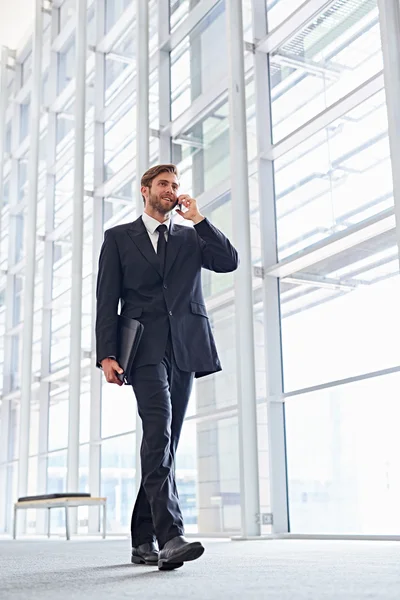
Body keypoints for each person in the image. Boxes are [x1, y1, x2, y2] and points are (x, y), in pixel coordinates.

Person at [95, 164, 239, 571]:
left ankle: (143, 540)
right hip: (141, 348)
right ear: (145, 190)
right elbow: (107, 301)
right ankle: (170, 536)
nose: (171, 191)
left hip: (185, 347)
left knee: (166, 443)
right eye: (164, 184)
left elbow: (228, 262)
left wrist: (199, 217)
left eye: (176, 185)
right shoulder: (119, 238)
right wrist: (107, 353)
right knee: (158, 429)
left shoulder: (191, 237)